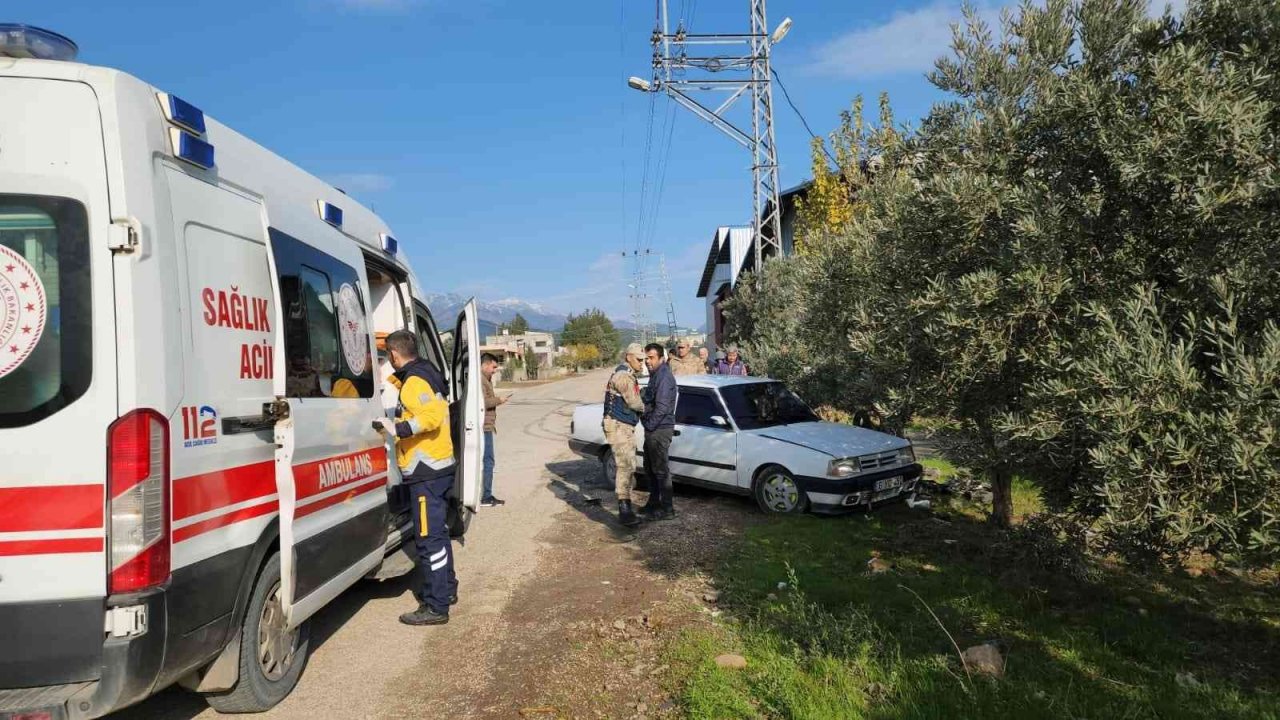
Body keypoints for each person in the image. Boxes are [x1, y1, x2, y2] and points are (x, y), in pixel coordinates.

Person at [375, 330, 458, 626]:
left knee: (429, 540)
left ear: (394, 354)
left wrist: (398, 429)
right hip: (437, 469)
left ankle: (436, 606)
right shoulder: (426, 372)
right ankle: (446, 590)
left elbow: (431, 417)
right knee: (439, 535)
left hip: (426, 474)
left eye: (387, 356)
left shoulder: (414, 381)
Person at [602, 343, 647, 527]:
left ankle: (626, 507)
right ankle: (624, 511)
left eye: (643, 360)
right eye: (639, 359)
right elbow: (634, 402)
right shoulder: (623, 376)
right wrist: (648, 407)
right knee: (625, 466)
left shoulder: (628, 374)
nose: (642, 363)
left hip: (624, 425)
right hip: (619, 426)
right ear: (628, 357)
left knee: (629, 465)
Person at [639, 342, 678, 521]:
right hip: (654, 429)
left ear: (661, 358)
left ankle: (667, 508)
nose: (648, 361)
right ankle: (654, 503)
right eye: (646, 358)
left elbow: (662, 407)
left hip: (660, 429)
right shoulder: (655, 375)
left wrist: (649, 425)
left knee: (661, 470)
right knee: (650, 469)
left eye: (651, 358)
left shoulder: (664, 376)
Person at [480, 352, 510, 507]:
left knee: (487, 461)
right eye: (493, 367)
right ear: (485, 365)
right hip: (484, 427)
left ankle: (485, 494)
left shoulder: (485, 380)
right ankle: (486, 496)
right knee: (488, 461)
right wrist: (499, 400)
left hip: (486, 426)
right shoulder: (481, 380)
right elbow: (482, 402)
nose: (495, 370)